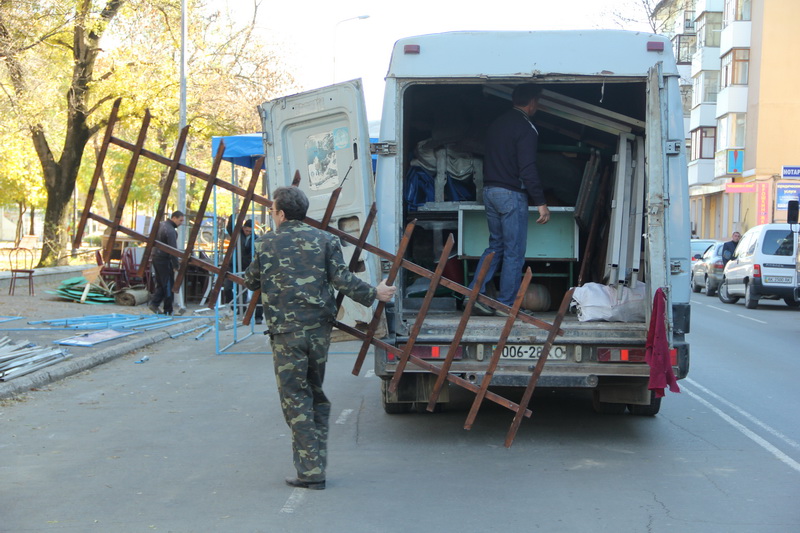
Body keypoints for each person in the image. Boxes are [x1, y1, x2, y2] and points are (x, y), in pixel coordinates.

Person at [244, 186, 395, 490]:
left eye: (273, 211)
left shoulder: (266, 243)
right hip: (318, 331)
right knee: (314, 393)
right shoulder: (325, 239)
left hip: (286, 333)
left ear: (281, 213)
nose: (273, 215)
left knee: (295, 398)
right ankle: (314, 464)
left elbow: (251, 281)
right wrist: (373, 293)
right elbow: (342, 278)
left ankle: (311, 471)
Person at [471, 84, 550, 316]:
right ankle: (506, 304)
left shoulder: (497, 124)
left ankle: (475, 295)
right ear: (532, 102)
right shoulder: (526, 128)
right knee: (514, 251)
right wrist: (541, 202)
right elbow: (527, 168)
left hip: (490, 192)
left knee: (495, 246)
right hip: (511, 194)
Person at [223, 218, 263, 323]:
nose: (248, 233)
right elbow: (230, 226)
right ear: (243, 228)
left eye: (250, 231)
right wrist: (234, 215)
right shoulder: (237, 234)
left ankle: (242, 310)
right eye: (246, 230)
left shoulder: (255, 238)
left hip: (246, 266)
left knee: (243, 289)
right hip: (233, 265)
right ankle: (233, 305)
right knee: (227, 287)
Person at [149, 211, 184, 315]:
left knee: (161, 283)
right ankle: (168, 309)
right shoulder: (170, 230)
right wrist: (176, 264)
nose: (181, 223)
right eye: (180, 220)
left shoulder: (161, 225)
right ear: (174, 218)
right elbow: (172, 249)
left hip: (156, 256)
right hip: (164, 259)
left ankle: (155, 303)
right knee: (168, 284)